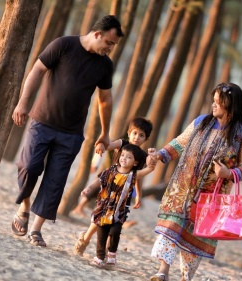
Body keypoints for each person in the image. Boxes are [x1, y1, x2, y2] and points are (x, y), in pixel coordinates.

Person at [10, 15, 124, 247]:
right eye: (109, 43)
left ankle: (36, 230)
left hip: (71, 133)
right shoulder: (64, 45)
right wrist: (23, 102)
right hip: (42, 121)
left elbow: (105, 99)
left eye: (114, 45)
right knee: (28, 166)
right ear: (97, 34)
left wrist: (105, 131)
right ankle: (25, 206)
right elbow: (36, 71)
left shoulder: (104, 65)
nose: (110, 49)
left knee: (55, 181)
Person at [148, 82, 242, 281]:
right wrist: (160, 155)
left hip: (211, 199)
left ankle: (185, 277)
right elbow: (180, 143)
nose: (213, 105)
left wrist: (228, 173)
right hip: (183, 190)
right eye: (212, 101)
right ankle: (163, 272)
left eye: (218, 102)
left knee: (196, 241)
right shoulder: (201, 122)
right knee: (170, 229)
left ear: (230, 105)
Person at [73, 117, 153, 256]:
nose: (137, 137)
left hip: (123, 195)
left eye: (141, 135)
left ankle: (103, 253)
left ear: (146, 138)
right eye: (134, 133)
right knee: (99, 220)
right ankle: (85, 239)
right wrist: (102, 146)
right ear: (129, 133)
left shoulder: (142, 156)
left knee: (113, 224)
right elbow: (109, 145)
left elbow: (138, 177)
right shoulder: (122, 144)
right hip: (109, 189)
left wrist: (138, 195)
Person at [87, 144, 157, 268]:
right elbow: (100, 180)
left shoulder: (133, 175)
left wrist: (152, 156)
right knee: (101, 235)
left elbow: (150, 169)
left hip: (118, 212)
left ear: (135, 163)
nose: (124, 158)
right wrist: (89, 188)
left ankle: (112, 254)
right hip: (103, 209)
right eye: (123, 155)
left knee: (115, 232)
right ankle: (99, 257)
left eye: (128, 157)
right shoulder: (111, 170)